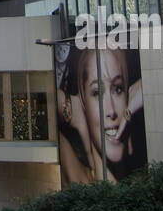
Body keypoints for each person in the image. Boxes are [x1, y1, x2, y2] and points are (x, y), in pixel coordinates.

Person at [57, 42, 144, 185]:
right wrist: (73, 111)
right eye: (97, 92)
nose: (111, 111)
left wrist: (147, 85)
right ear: (82, 102)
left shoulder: (147, 183)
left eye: (118, 89)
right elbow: (39, 98)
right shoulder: (78, 180)